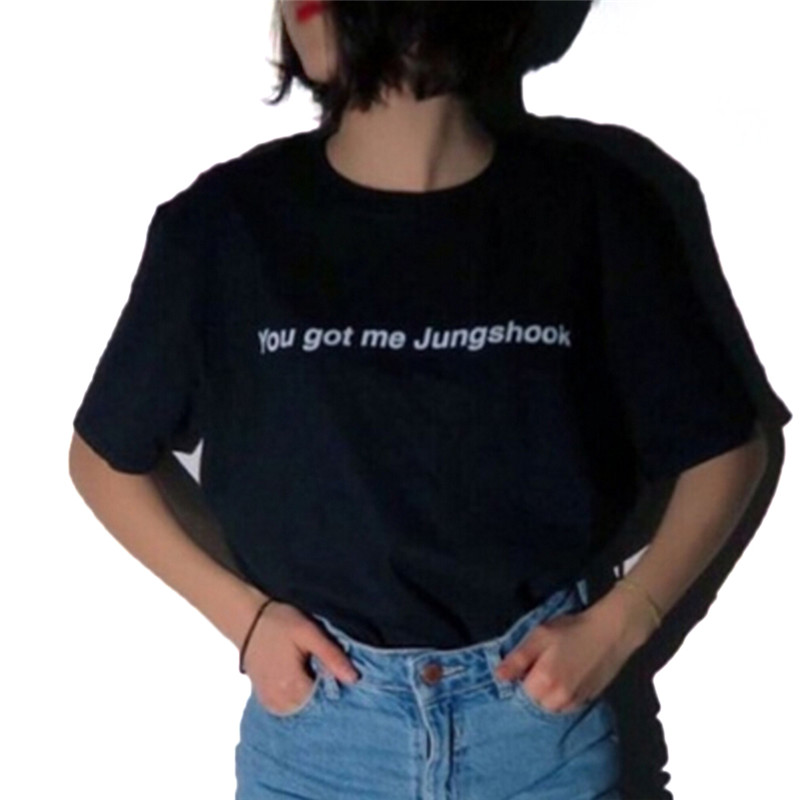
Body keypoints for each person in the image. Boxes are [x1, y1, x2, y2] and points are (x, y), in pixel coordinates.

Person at [68, 2, 777, 798]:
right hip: (322, 741)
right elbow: (104, 458)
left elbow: (725, 448)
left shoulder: (596, 206)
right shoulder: (225, 226)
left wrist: (621, 624)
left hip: (538, 739)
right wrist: (246, 620)